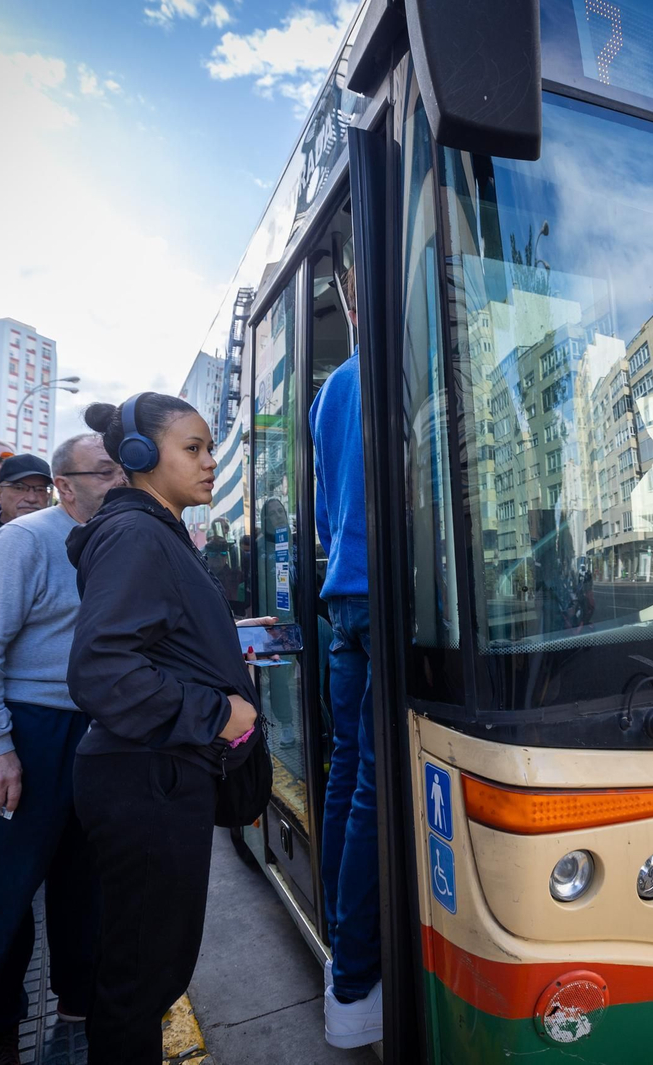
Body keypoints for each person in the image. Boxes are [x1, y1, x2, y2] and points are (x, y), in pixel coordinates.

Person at [65, 394, 260, 1063]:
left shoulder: (157, 530)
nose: (210, 462)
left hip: (155, 773)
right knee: (142, 977)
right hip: (145, 776)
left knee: (151, 966)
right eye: (194, 448)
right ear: (141, 457)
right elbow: (102, 668)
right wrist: (218, 714)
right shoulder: (136, 534)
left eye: (210, 448)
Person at [0, 434, 123, 1065]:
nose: (121, 481)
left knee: (86, 882)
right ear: (64, 484)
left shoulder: (124, 539)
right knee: (10, 890)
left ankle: (79, 995)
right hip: (27, 730)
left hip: (100, 734)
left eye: (125, 469)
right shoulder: (24, 541)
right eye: (104, 472)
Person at [309, 267, 381, 1049]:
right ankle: (358, 981)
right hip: (392, 598)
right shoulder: (406, 371)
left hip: (344, 599)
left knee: (345, 773)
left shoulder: (331, 389)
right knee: (372, 786)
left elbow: (332, 505)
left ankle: (340, 951)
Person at [0, 454, 52, 552]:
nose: (31, 498)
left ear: (48, 496)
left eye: (40, 489)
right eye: (19, 488)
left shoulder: (60, 539)